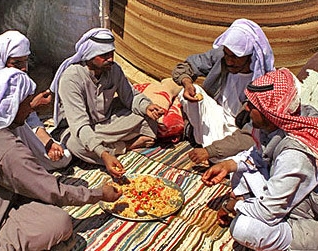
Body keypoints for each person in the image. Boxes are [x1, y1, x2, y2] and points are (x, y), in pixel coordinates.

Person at [0, 61, 122, 250]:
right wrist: (99, 194)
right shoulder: (6, 147)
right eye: (28, 103)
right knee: (58, 223)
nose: (31, 109)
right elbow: (53, 191)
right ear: (11, 106)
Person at [201, 68, 318, 251]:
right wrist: (228, 165)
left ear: (270, 113)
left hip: (307, 218)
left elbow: (268, 212)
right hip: (286, 193)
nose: (246, 108)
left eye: (253, 105)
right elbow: (258, 154)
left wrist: (232, 205)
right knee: (238, 172)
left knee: (243, 228)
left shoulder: (295, 155)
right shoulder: (277, 123)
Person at [49, 28, 164, 177]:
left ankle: (108, 146)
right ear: (89, 55)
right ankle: (125, 146)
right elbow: (79, 124)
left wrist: (146, 107)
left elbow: (130, 96)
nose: (110, 59)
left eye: (111, 54)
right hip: (78, 128)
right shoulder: (71, 78)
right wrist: (104, 154)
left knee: (147, 118)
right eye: (104, 55)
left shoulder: (113, 70)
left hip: (107, 122)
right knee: (75, 145)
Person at [172, 18, 275, 164]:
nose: (229, 61)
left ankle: (207, 147)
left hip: (239, 132)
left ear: (251, 56)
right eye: (227, 55)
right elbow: (185, 67)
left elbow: (250, 135)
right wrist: (187, 82)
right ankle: (207, 146)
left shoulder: (264, 83)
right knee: (187, 93)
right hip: (214, 117)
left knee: (239, 158)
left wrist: (210, 151)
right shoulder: (222, 57)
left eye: (235, 57)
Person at [0, 30, 72, 170]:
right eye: (16, 63)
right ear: (2, 59)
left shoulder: (18, 81)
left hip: (15, 131)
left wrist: (48, 143)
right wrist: (32, 105)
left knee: (64, 156)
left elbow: (31, 120)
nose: (23, 68)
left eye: (25, 62)